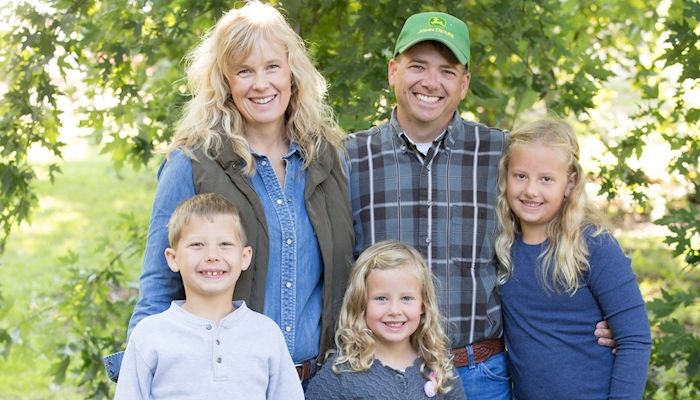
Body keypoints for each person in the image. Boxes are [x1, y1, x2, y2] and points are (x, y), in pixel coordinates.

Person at [345, 11, 616, 399]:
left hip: (478, 374)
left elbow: (565, 227)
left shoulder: (502, 155)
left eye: (447, 71)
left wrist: (606, 316)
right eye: (417, 66)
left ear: (464, 83)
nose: (430, 82)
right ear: (393, 71)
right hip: (380, 375)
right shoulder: (351, 157)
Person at [104, 0, 354, 384]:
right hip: (225, 384)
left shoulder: (327, 160)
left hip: (319, 383)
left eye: (272, 67)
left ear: (292, 74)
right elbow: (158, 284)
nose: (261, 83)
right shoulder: (191, 164)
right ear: (225, 82)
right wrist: (137, 378)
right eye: (244, 71)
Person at [495, 118, 651, 399]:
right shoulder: (503, 245)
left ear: (570, 183)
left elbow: (634, 339)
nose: (531, 190)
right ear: (505, 176)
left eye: (546, 179)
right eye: (520, 176)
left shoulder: (592, 244)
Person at [114, 193, 304, 399]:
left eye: (225, 244)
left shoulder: (267, 334)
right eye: (197, 245)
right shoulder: (149, 335)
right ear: (173, 258)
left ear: (245, 257)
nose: (212, 255)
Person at [306, 241, 465, 399]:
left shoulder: (439, 367)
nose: (394, 310)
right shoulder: (340, 374)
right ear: (361, 303)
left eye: (407, 298)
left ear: (423, 305)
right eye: (381, 298)